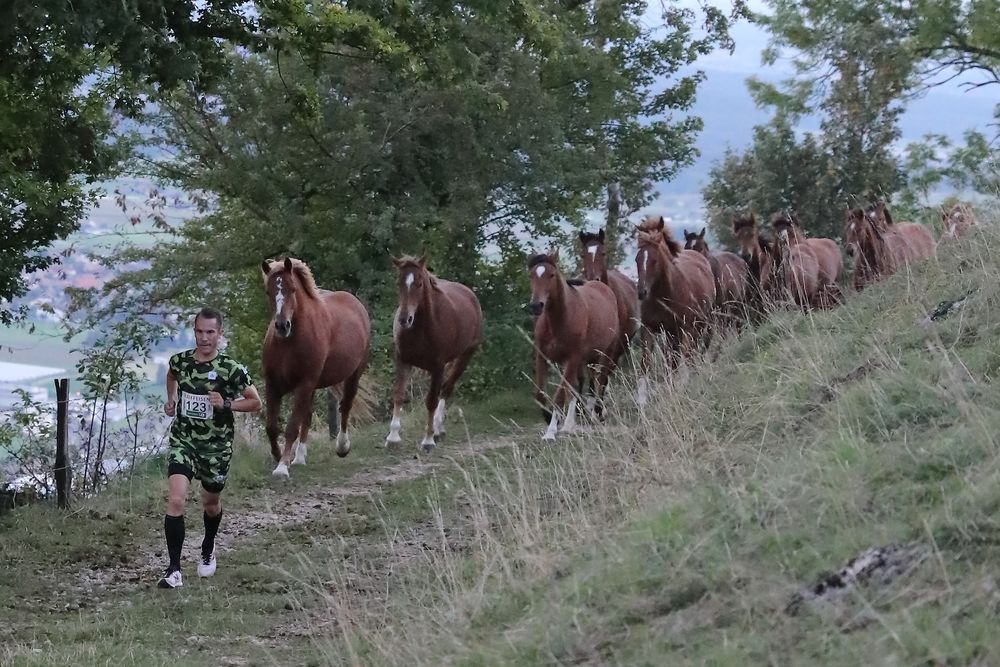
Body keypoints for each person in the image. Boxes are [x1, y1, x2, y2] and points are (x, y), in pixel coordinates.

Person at [158, 307, 262, 589]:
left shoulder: (231, 369)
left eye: (210, 332)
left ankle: (208, 544)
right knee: (177, 499)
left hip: (215, 447)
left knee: (210, 504)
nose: (204, 338)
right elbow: (171, 375)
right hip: (184, 441)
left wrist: (227, 404)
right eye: (199, 332)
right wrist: (171, 400)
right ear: (194, 331)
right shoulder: (180, 362)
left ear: (220, 334)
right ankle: (174, 570)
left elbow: (255, 402)